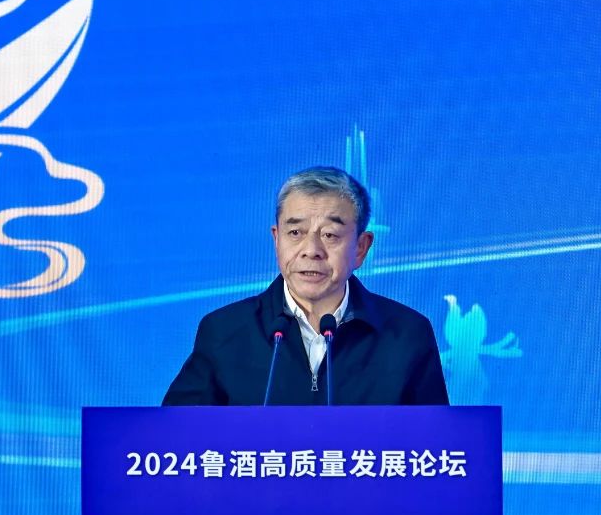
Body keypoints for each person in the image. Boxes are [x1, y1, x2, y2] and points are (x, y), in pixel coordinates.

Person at [163, 166, 449, 405]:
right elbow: (174, 440)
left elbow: (438, 445)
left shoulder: (407, 334)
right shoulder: (225, 331)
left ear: (361, 247)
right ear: (277, 239)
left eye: (330, 235)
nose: (311, 250)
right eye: (296, 232)